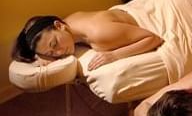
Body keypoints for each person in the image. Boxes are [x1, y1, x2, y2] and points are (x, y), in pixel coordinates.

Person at [12, 10, 163, 71]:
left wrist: (114, 55)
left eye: (55, 44)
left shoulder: (99, 34)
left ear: (59, 25)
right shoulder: (67, 24)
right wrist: (42, 54)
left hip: (159, 10)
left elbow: (153, 38)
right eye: (51, 53)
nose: (59, 53)